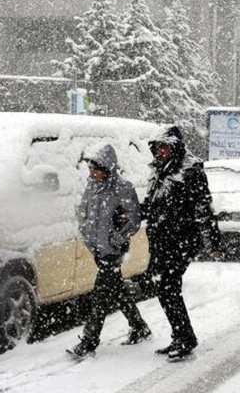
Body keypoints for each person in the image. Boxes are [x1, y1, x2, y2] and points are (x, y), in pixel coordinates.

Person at [141, 125, 222, 361]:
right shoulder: (158, 172)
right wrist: (131, 212)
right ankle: (181, 335)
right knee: (163, 289)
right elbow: (152, 205)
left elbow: (204, 207)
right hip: (160, 240)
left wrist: (213, 242)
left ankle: (186, 338)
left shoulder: (190, 171)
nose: (159, 152)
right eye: (156, 148)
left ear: (175, 147)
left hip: (181, 240)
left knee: (169, 288)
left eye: (164, 147)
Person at [68, 142, 152, 359]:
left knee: (100, 296)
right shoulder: (92, 188)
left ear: (106, 167)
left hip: (113, 251)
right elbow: (84, 214)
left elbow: (133, 219)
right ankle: (139, 326)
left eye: (96, 169)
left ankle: (89, 341)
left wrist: (116, 238)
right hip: (98, 249)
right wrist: (87, 236)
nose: (92, 173)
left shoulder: (122, 188)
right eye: (90, 169)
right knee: (117, 290)